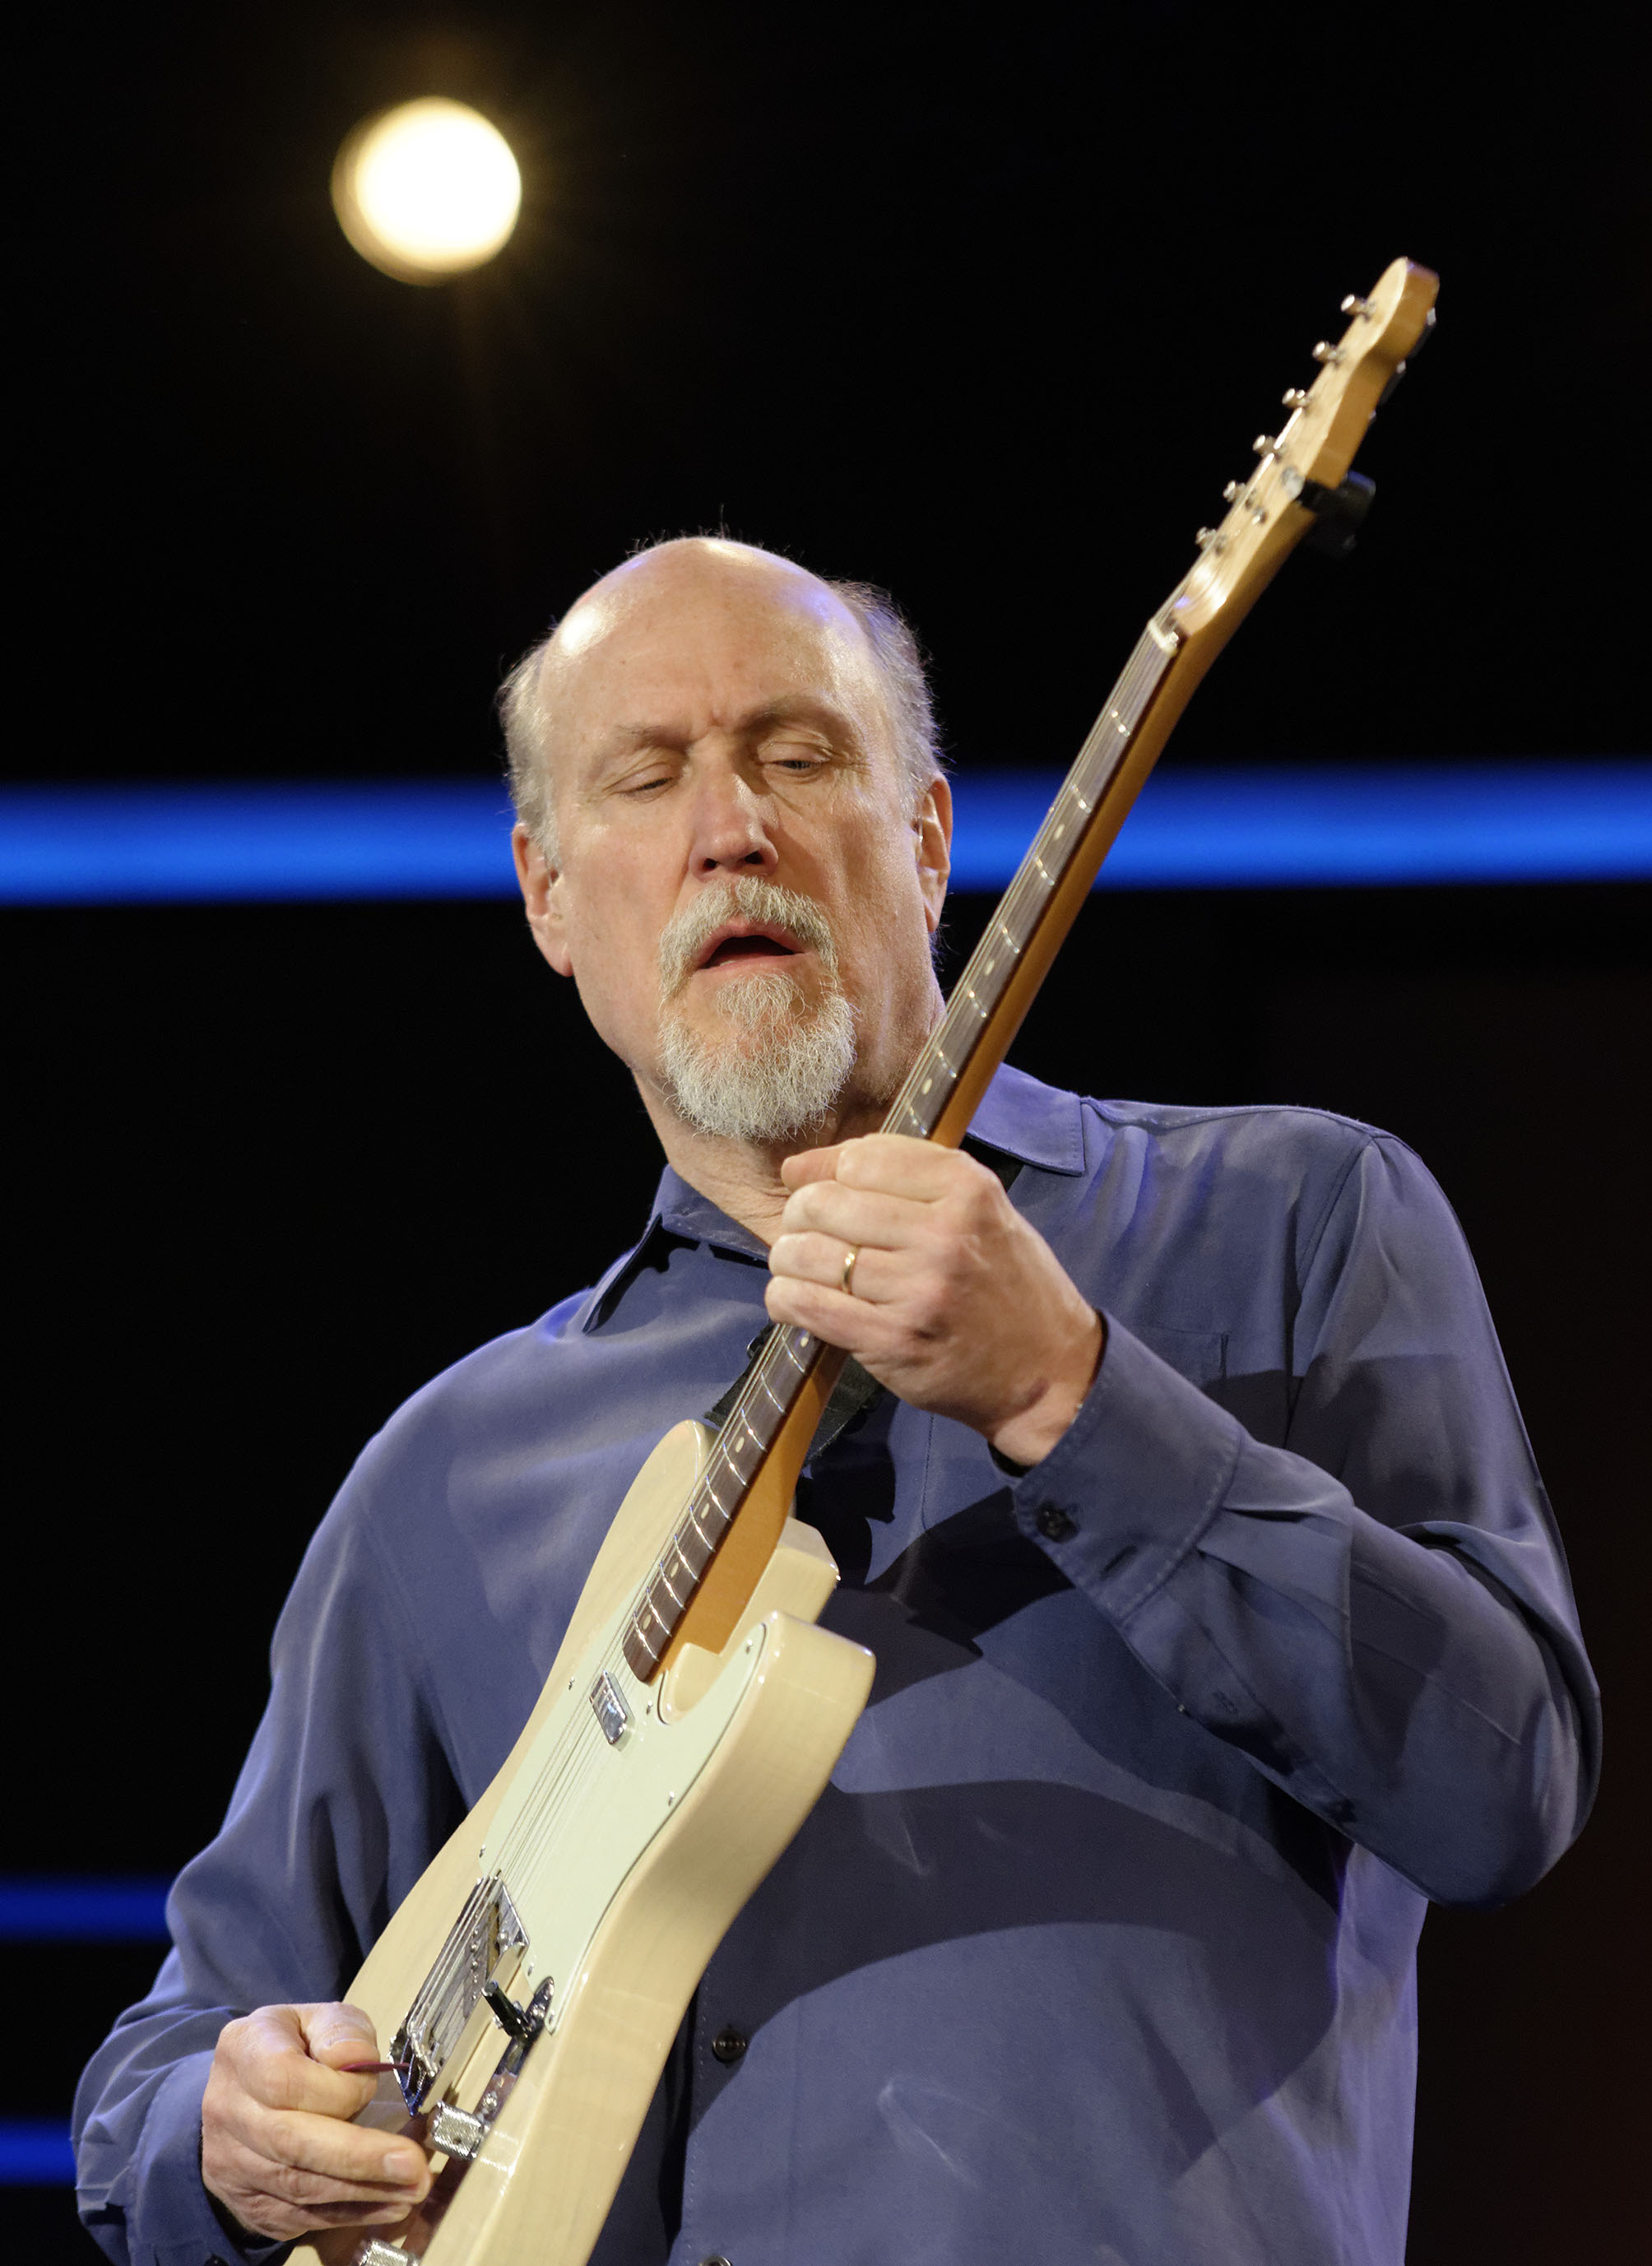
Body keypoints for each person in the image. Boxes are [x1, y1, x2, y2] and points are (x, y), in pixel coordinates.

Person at [76, 537, 1599, 2266]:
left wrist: (1071, 1392)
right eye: (644, 779)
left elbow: (1501, 1785)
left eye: (797, 757)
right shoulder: (449, 1468)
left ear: (931, 836)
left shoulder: (1291, 1220)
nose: (730, 826)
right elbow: (167, 2065)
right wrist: (228, 2131)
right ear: (549, 899)